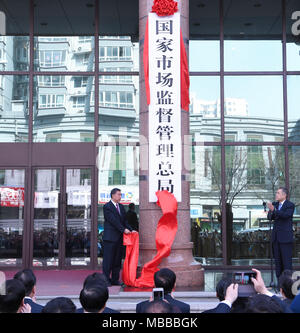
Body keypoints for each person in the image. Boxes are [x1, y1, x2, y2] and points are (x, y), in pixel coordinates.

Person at [102, 188, 135, 286]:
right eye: (119, 194)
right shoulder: (107, 206)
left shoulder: (121, 206)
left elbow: (124, 221)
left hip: (120, 238)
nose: (120, 196)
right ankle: (106, 280)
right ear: (113, 195)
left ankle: (115, 280)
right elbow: (113, 220)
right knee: (108, 260)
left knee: (117, 260)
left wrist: (131, 229)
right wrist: (123, 229)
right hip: (110, 238)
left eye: (121, 195)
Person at [267, 187, 295, 282]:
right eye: (276, 193)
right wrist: (271, 210)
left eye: (278, 193)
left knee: (286, 263)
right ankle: (280, 286)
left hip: (285, 239)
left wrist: (274, 210)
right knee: (278, 263)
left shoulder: (290, 205)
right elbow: (269, 217)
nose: (276, 195)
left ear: (284, 195)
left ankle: (289, 286)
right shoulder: (275, 205)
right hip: (276, 239)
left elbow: (286, 215)